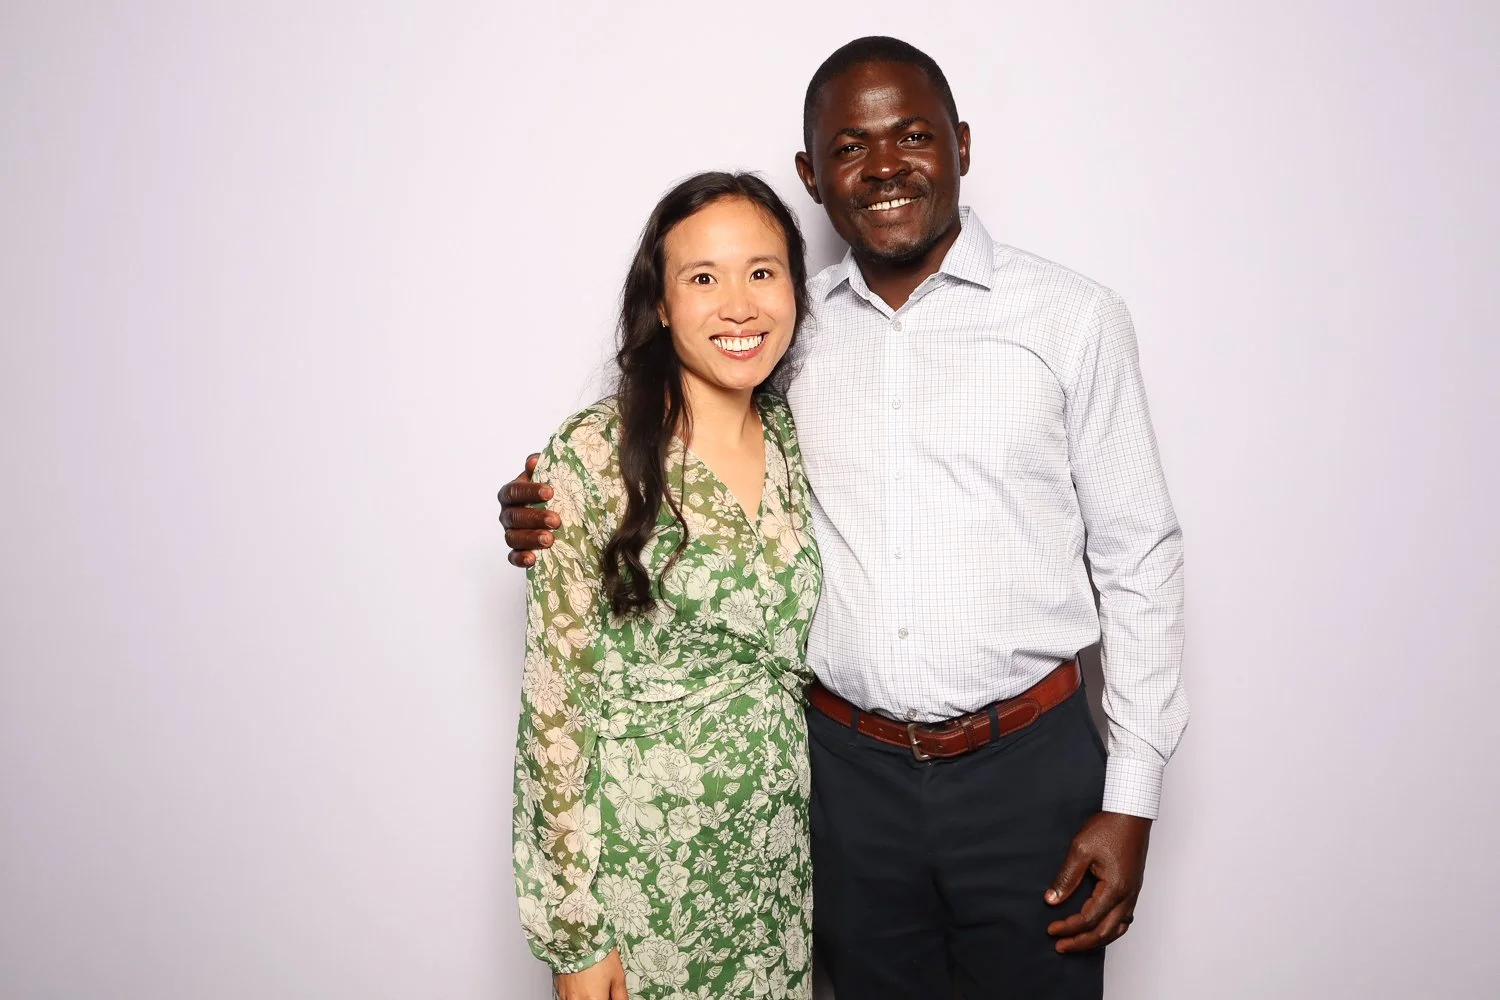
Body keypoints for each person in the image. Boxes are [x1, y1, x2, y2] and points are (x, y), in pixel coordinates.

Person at [503, 38, 1186, 1000]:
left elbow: (1140, 561)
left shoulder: (1073, 319)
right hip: (844, 784)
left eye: (912, 135)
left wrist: (1134, 798)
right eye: (851, 146)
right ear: (812, 176)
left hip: (1028, 775)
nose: (885, 166)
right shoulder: (788, 333)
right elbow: (661, 450)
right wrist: (549, 507)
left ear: (960, 142)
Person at [511, 171, 821, 1000]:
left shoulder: (801, 437)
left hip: (777, 867)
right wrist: (574, 936)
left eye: (762, 272)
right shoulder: (593, 452)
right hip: (643, 876)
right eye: (703, 278)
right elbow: (556, 705)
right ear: (660, 304)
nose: (739, 305)